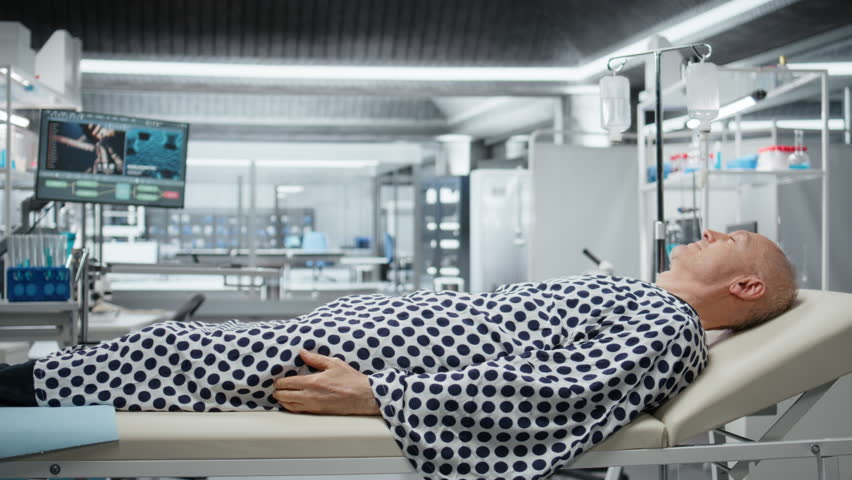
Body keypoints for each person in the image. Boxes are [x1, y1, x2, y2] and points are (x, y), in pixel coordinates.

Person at [0, 229, 796, 480]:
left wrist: (379, 395)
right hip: (354, 343)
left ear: (748, 287)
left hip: (354, 368)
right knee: (171, 354)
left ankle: (15, 392)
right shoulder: (645, 301)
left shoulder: (666, 327)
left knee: (169, 359)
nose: (709, 233)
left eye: (730, 240)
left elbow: (550, 391)